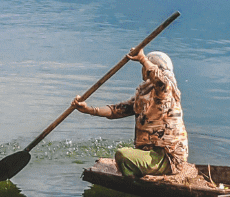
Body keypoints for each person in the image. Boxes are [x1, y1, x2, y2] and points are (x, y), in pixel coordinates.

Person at [72, 48, 189, 178]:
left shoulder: (166, 92)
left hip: (167, 159)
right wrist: (89, 110)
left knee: (122, 154)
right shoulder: (145, 93)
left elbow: (162, 82)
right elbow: (117, 110)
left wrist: (143, 59)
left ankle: (135, 182)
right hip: (152, 154)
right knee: (125, 153)